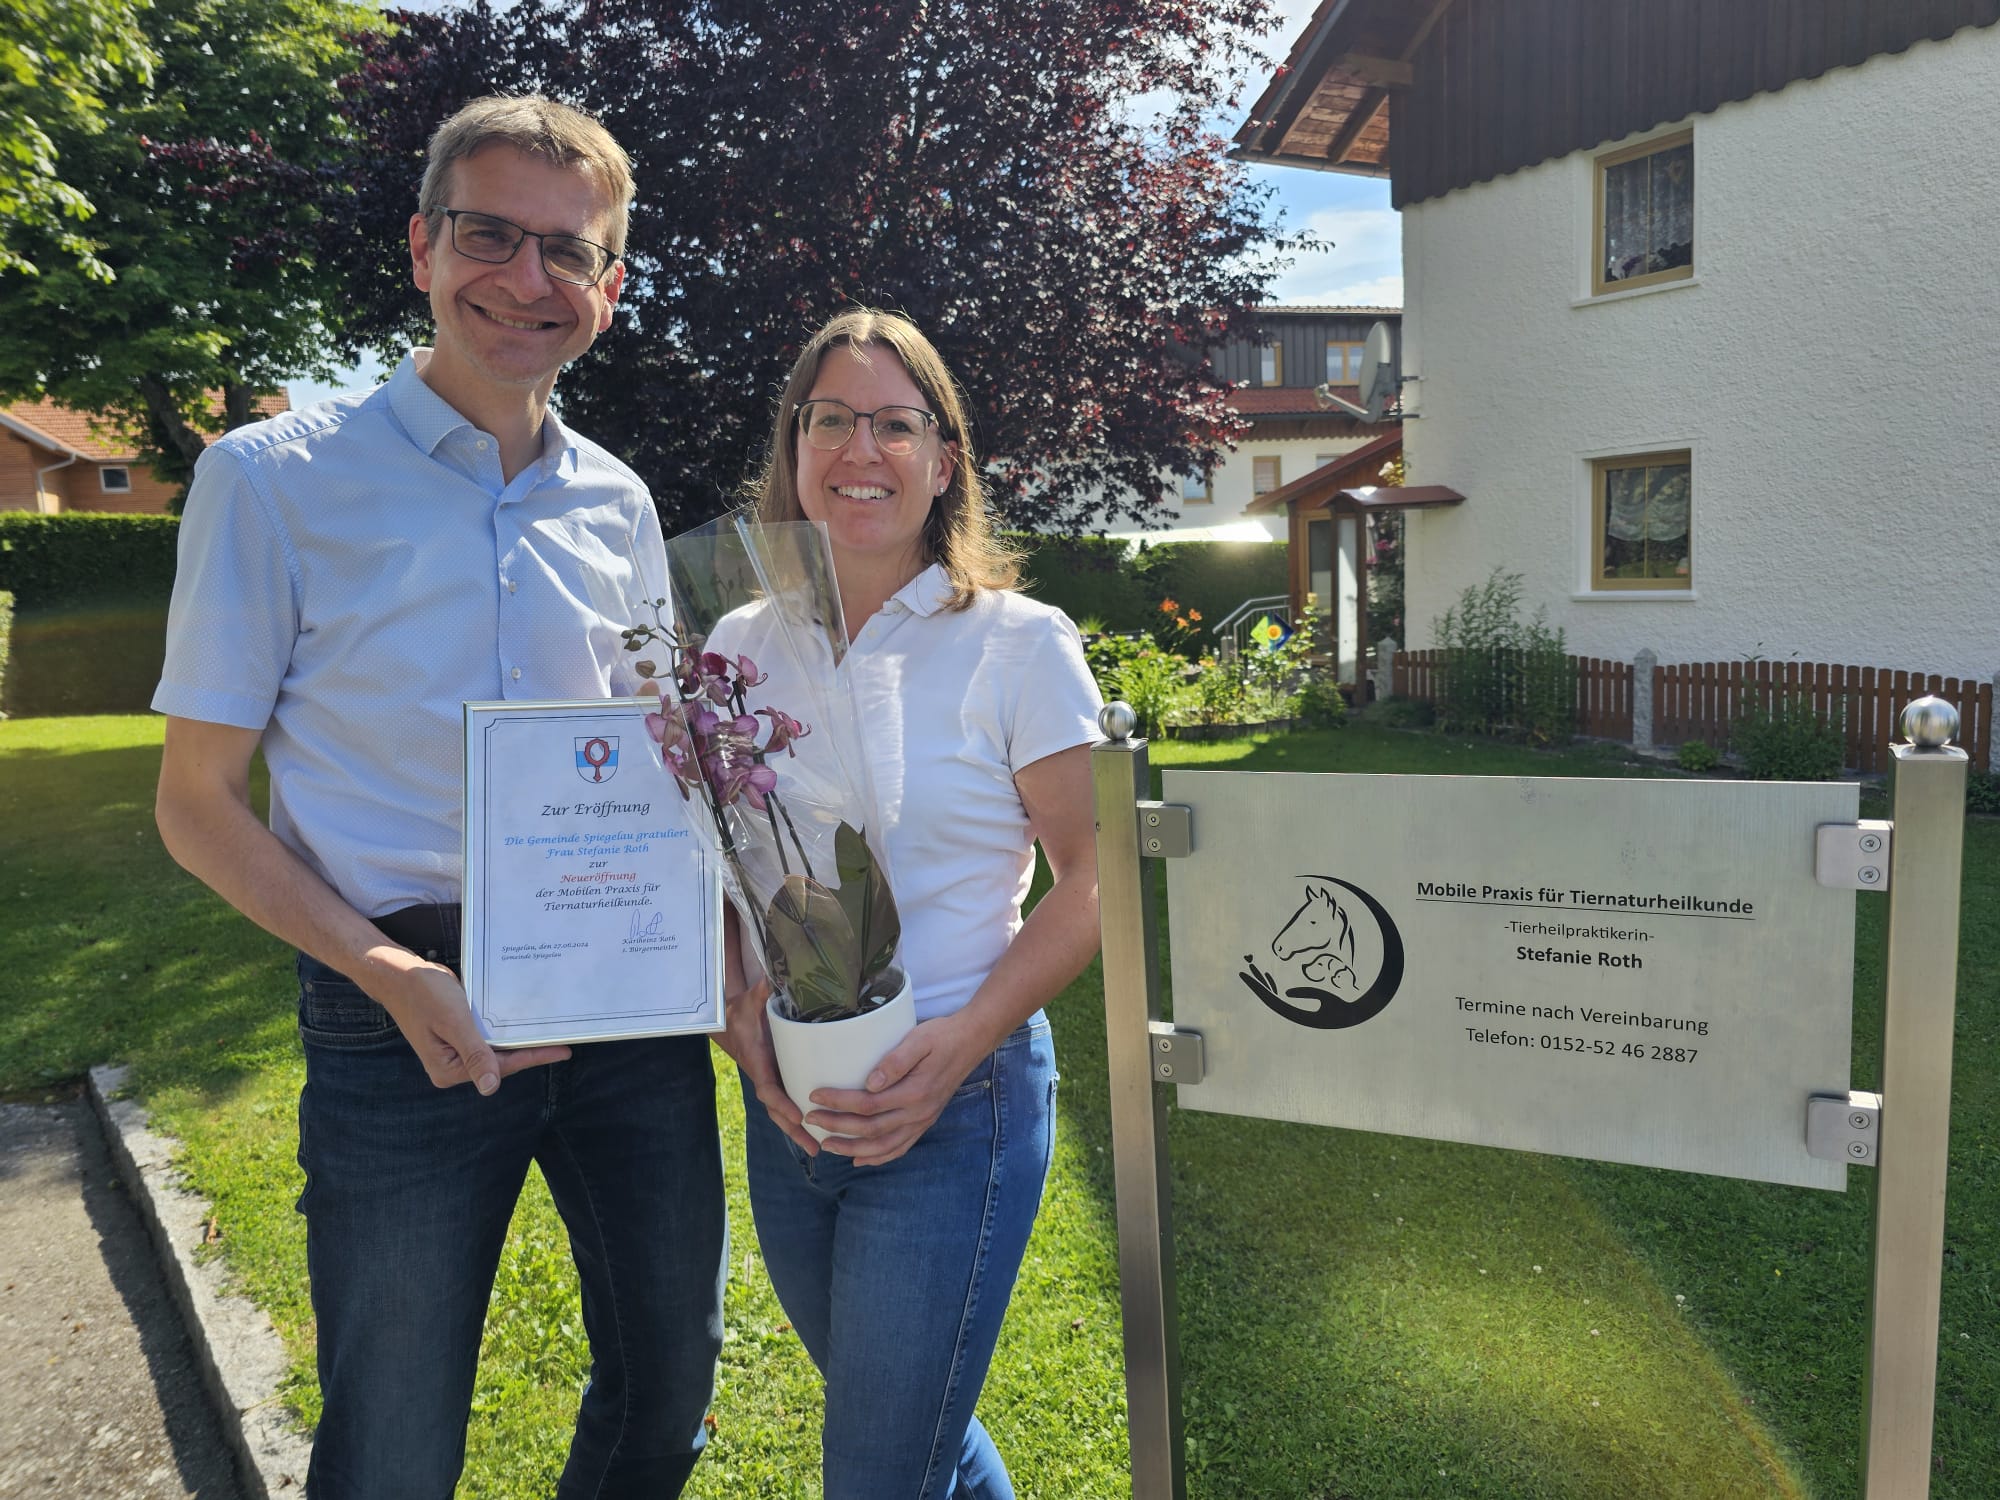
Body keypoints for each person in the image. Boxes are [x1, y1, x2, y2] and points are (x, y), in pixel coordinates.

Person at [151, 96, 725, 1499]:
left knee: (668, 1394)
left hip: (622, 1004)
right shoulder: (271, 482)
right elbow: (197, 799)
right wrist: (391, 970)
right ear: (422, 246)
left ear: (612, 285)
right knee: (393, 1448)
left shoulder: (622, 503)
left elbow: (660, 765)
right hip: (392, 1004)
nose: (527, 282)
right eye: (490, 236)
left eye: (568, 253)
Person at [717, 308, 1104, 1499]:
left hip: (955, 1102)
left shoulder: (1016, 643)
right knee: (911, 1424)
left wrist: (960, 1045)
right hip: (793, 1106)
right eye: (828, 419)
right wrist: (738, 1012)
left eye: (894, 423)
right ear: (792, 450)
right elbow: (723, 859)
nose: (858, 450)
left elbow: (1095, 879)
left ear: (944, 461)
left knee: (879, 1465)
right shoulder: (737, 640)